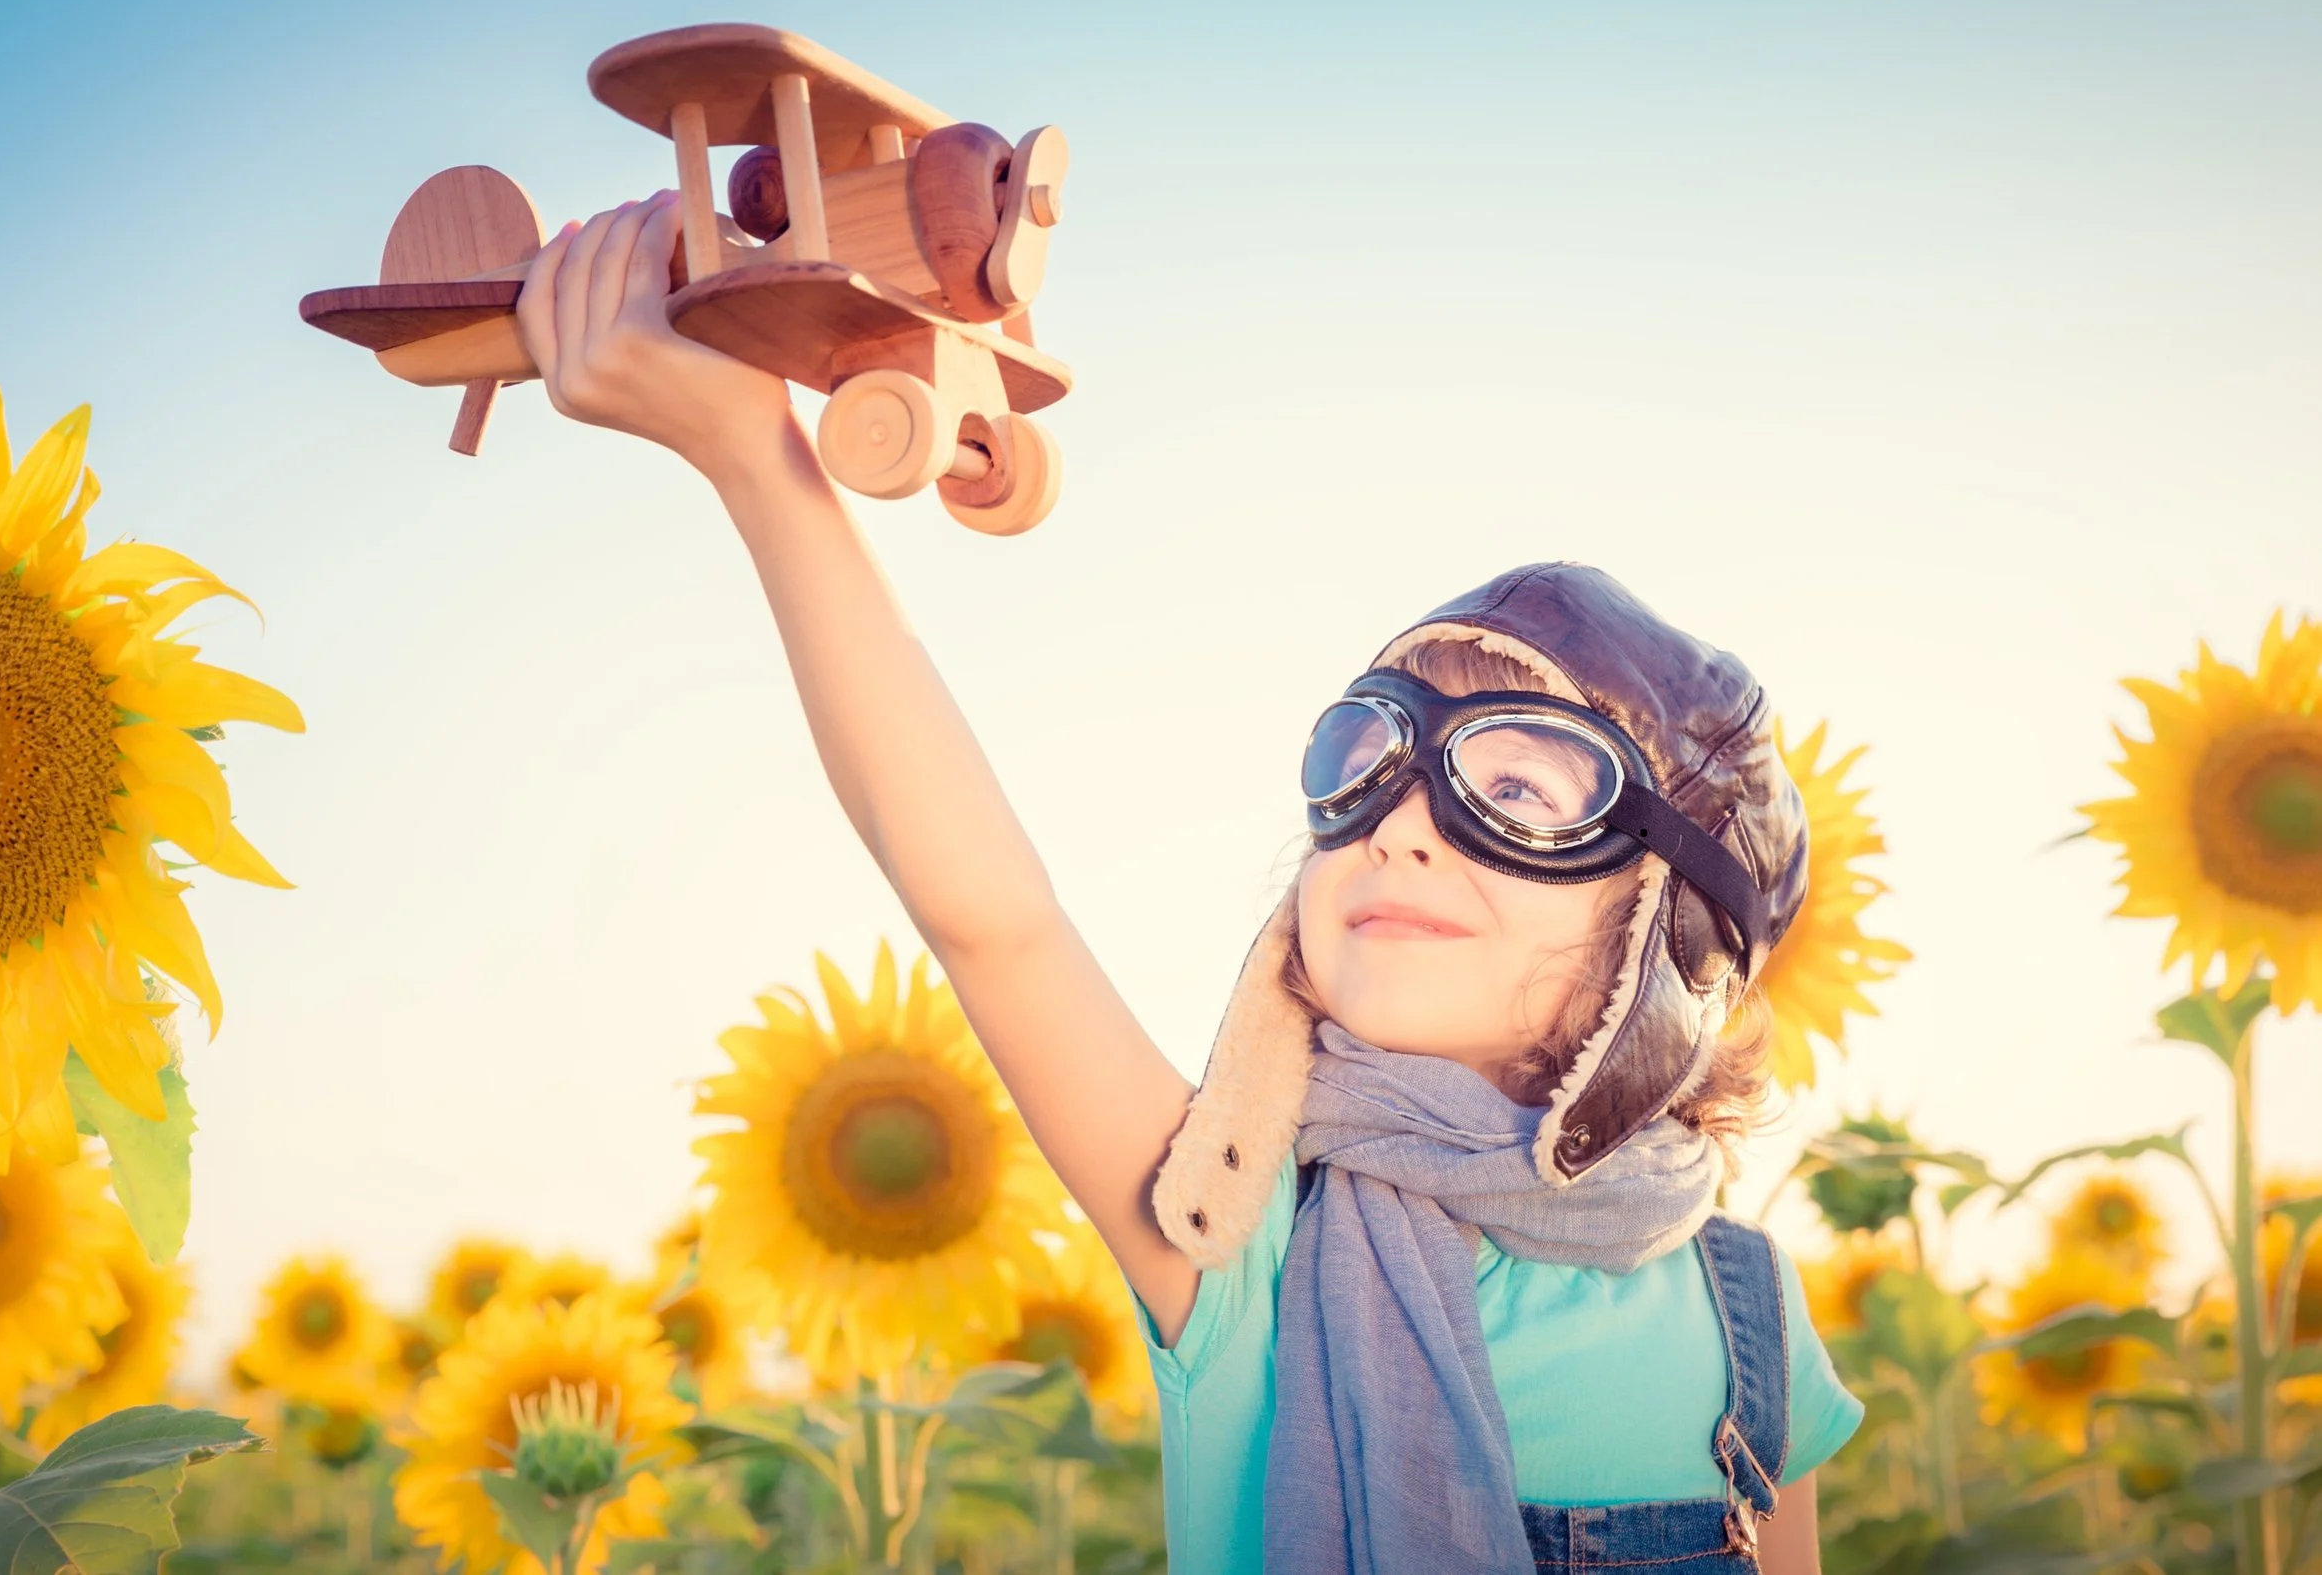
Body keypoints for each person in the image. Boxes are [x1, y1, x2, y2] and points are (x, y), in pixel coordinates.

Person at [513, 192, 1862, 1574]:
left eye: (1517, 789)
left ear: (1666, 949)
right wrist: (757, 457)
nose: (1403, 826)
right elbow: (997, 923)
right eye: (1372, 762)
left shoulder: (1745, 1309)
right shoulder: (1242, 1234)